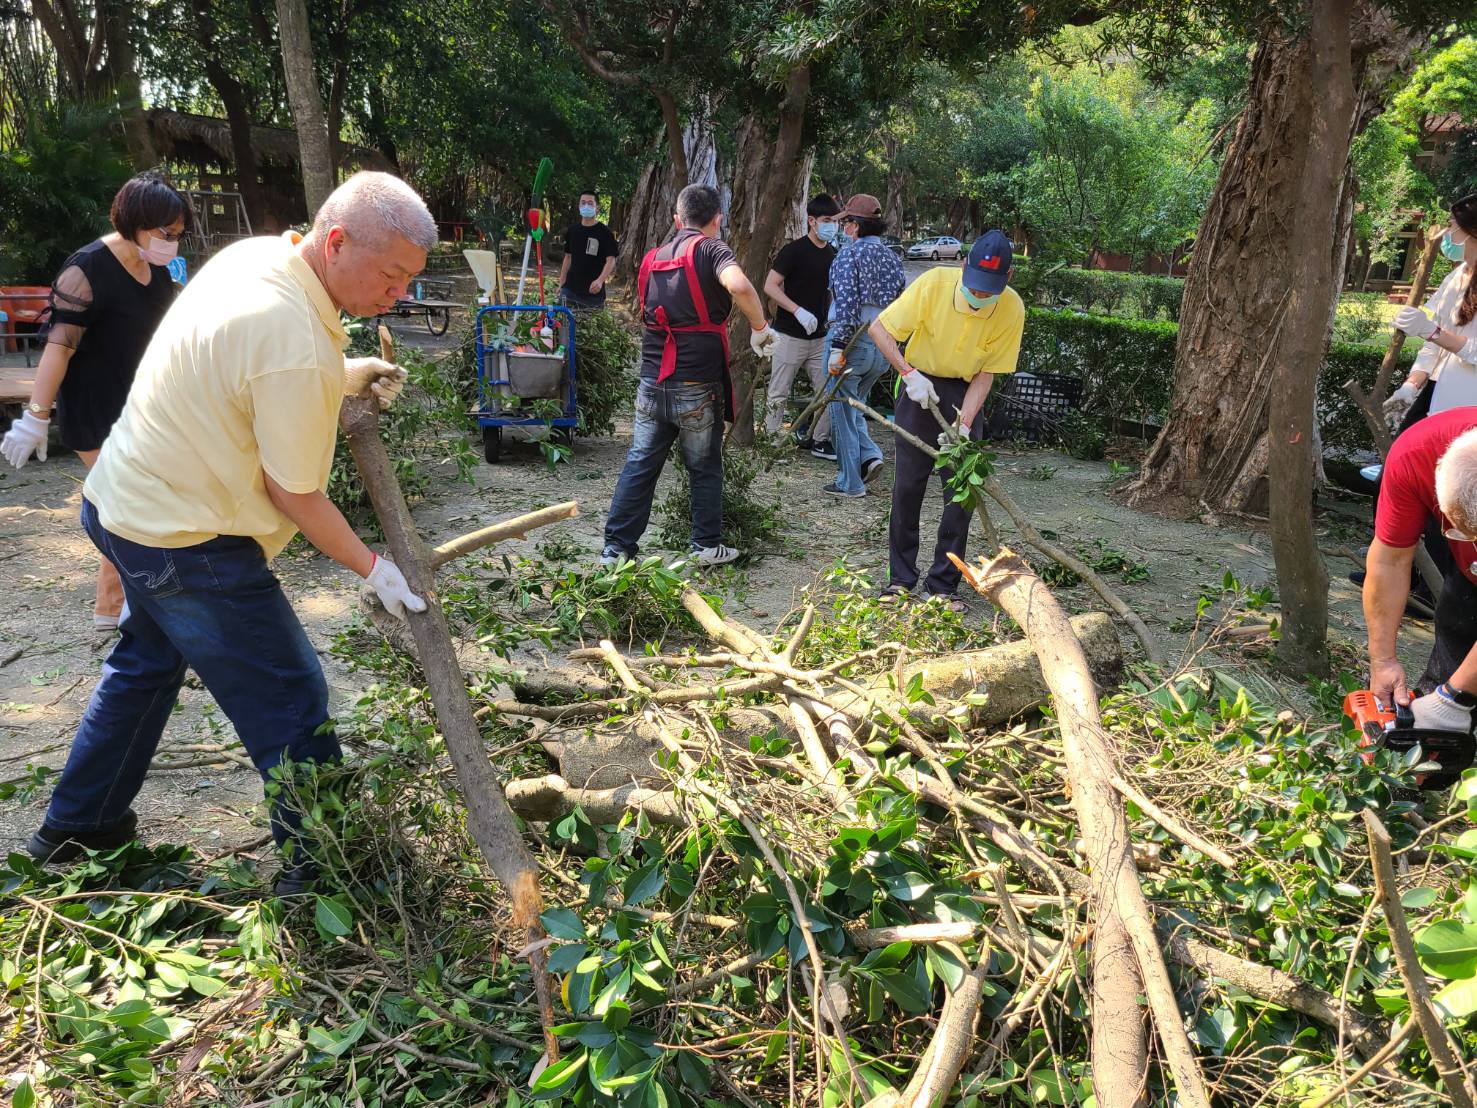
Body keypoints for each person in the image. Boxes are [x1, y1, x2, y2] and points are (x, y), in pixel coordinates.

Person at [23, 172, 434, 895]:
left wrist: (339, 374)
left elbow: (247, 366)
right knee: (288, 691)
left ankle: (78, 829)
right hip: (183, 538)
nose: (400, 294)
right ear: (336, 242)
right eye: (393, 275)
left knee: (146, 665)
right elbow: (294, 492)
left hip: (121, 499)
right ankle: (325, 876)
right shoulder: (292, 339)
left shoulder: (259, 258)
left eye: (409, 280)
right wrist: (373, 567)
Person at [1, 172, 190, 631]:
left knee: (122, 506)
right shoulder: (85, 269)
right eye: (165, 234)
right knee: (134, 503)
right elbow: (59, 347)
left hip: (142, 409)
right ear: (135, 222)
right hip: (95, 409)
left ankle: (110, 604)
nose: (172, 244)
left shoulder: (160, 267)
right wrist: (35, 417)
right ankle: (137, 608)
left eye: (178, 236)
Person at [601, 184, 776, 567]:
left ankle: (616, 549)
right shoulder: (712, 248)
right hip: (696, 384)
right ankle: (705, 545)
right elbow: (740, 285)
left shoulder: (653, 256)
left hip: (652, 382)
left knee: (640, 463)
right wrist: (761, 327)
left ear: (677, 219)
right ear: (717, 220)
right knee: (704, 466)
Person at [869, 230, 1025, 606]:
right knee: (907, 488)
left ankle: (943, 584)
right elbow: (880, 329)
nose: (980, 297)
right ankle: (900, 579)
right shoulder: (935, 283)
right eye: (975, 287)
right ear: (964, 267)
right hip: (919, 385)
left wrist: (965, 422)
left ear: (1007, 280)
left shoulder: (1012, 308)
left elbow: (987, 373)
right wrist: (908, 373)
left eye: (989, 290)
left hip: (965, 392)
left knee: (961, 494)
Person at [1366, 408, 1477, 732]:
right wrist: (1383, 659)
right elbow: (1389, 560)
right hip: (1464, 583)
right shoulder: (1417, 454)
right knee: (1458, 624)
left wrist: (1454, 698)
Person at [822, 193, 905, 497]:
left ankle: (850, 482)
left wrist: (837, 347)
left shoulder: (848, 256)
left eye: (844, 222)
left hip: (851, 342)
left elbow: (846, 305)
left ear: (854, 226)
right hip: (881, 346)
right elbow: (900, 307)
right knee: (857, 405)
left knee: (842, 410)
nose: (842, 227)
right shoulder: (893, 259)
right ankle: (870, 457)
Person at [1382, 196, 1477, 429]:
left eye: (1452, 224)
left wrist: (1432, 331)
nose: (1447, 232)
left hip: (1467, 404)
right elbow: (1434, 343)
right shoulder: (1456, 277)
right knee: (1402, 458)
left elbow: (1440, 336)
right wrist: (1412, 384)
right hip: (1435, 392)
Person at [762, 194, 841, 451]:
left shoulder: (833, 254)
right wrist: (797, 311)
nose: (832, 225)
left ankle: (819, 440)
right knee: (778, 391)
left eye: (835, 221)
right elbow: (770, 286)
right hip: (789, 335)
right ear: (811, 221)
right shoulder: (793, 251)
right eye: (826, 220)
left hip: (819, 338)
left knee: (827, 392)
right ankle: (772, 442)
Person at [558, 189, 619, 310]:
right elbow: (568, 257)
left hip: (593, 294)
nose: (586, 206)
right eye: (583, 202)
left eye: (590, 203)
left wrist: (600, 280)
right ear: (579, 206)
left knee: (589, 326)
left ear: (597, 208)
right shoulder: (573, 230)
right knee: (564, 326)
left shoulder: (605, 232)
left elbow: (611, 260)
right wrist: (561, 283)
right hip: (569, 291)